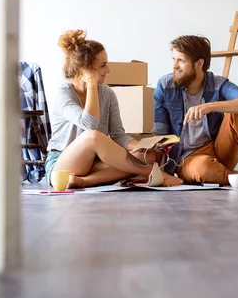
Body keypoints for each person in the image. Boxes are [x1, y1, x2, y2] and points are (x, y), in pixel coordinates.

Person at [44, 29, 183, 188]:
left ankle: (84, 181)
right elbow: (90, 124)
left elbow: (118, 135)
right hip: (62, 166)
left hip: (96, 163)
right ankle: (151, 173)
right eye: (103, 65)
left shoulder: (107, 93)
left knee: (150, 156)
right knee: (92, 137)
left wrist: (142, 146)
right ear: (85, 70)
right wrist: (91, 84)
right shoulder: (64, 93)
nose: (108, 70)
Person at [152, 35, 238, 187]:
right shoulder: (165, 86)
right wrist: (159, 173)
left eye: (181, 60)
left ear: (199, 63)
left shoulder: (217, 84)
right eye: (174, 59)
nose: (174, 66)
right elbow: (159, 134)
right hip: (188, 158)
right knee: (203, 168)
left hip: (219, 148)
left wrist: (210, 106)